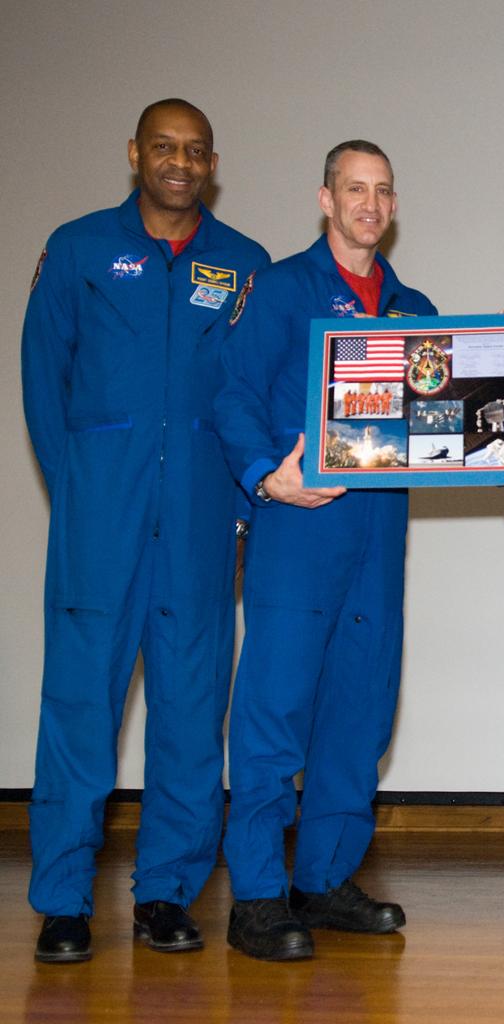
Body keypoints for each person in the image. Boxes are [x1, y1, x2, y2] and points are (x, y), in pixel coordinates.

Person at [21, 99, 268, 964]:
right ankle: (62, 900)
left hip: (202, 522)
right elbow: (42, 378)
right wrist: (81, 486)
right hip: (103, 520)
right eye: (163, 147)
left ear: (212, 162)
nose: (178, 162)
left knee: (193, 713)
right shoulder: (81, 248)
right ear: (134, 152)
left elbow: (259, 399)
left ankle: (165, 890)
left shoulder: (244, 266)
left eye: (195, 150)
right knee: (80, 708)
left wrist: (242, 511)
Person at [214, 140, 436, 961]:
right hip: (298, 528)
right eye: (354, 189)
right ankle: (259, 897)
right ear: (326, 199)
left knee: (359, 708)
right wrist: (265, 477)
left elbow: (444, 422)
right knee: (274, 710)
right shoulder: (279, 290)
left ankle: (325, 877)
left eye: (382, 190)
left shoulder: (416, 313)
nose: (369, 204)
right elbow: (231, 392)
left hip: (377, 539)